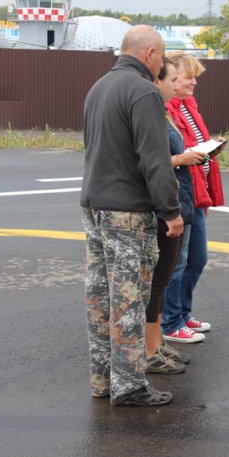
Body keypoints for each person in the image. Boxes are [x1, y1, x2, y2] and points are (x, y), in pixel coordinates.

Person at [81, 25, 183, 407]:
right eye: (162, 56)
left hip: (94, 204)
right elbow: (154, 159)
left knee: (99, 295)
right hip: (126, 211)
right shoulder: (143, 91)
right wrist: (170, 211)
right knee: (129, 297)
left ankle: (102, 378)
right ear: (151, 53)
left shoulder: (99, 87)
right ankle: (129, 386)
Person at [143, 59, 208, 374]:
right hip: (169, 201)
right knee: (165, 274)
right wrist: (182, 159)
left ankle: (162, 337)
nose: (189, 84)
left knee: (183, 264)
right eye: (182, 79)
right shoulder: (157, 112)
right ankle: (164, 331)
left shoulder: (172, 110)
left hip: (184, 196)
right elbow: (150, 161)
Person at [162, 52, 226, 344]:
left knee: (196, 259)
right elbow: (175, 154)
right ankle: (170, 321)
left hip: (195, 194)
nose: (193, 81)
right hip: (182, 194)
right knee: (179, 261)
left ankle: (181, 314)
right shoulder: (166, 110)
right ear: (172, 80)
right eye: (187, 76)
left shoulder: (189, 106)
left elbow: (194, 148)